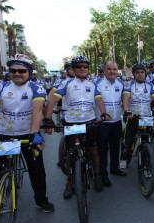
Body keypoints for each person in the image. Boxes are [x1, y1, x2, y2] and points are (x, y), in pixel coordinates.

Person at [0, 54, 54, 223]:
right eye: (13, 70)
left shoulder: (36, 88)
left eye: (21, 71)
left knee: (37, 170)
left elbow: (38, 111)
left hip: (27, 135)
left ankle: (41, 200)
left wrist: (34, 133)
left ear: (29, 72)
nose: (17, 73)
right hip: (4, 135)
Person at [44, 55, 110, 196]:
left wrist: (104, 113)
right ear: (73, 69)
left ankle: (97, 175)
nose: (82, 69)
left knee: (93, 150)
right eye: (79, 66)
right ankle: (70, 181)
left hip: (89, 121)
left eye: (85, 67)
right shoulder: (66, 84)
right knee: (70, 153)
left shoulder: (92, 85)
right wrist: (48, 119)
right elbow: (53, 100)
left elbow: (98, 99)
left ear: (88, 69)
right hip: (71, 122)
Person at [121, 63, 154, 164]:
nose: (140, 74)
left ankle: (146, 164)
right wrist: (127, 110)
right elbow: (126, 99)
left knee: (148, 140)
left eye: (142, 72)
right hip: (133, 117)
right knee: (127, 141)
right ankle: (124, 158)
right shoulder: (129, 85)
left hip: (147, 118)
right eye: (137, 72)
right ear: (133, 74)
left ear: (145, 73)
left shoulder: (150, 85)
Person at [95, 61, 125, 187]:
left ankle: (114, 168)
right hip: (102, 123)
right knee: (102, 150)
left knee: (115, 147)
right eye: (109, 69)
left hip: (117, 121)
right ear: (104, 70)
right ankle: (103, 174)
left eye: (114, 69)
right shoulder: (97, 84)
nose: (112, 71)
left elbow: (124, 99)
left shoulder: (121, 83)